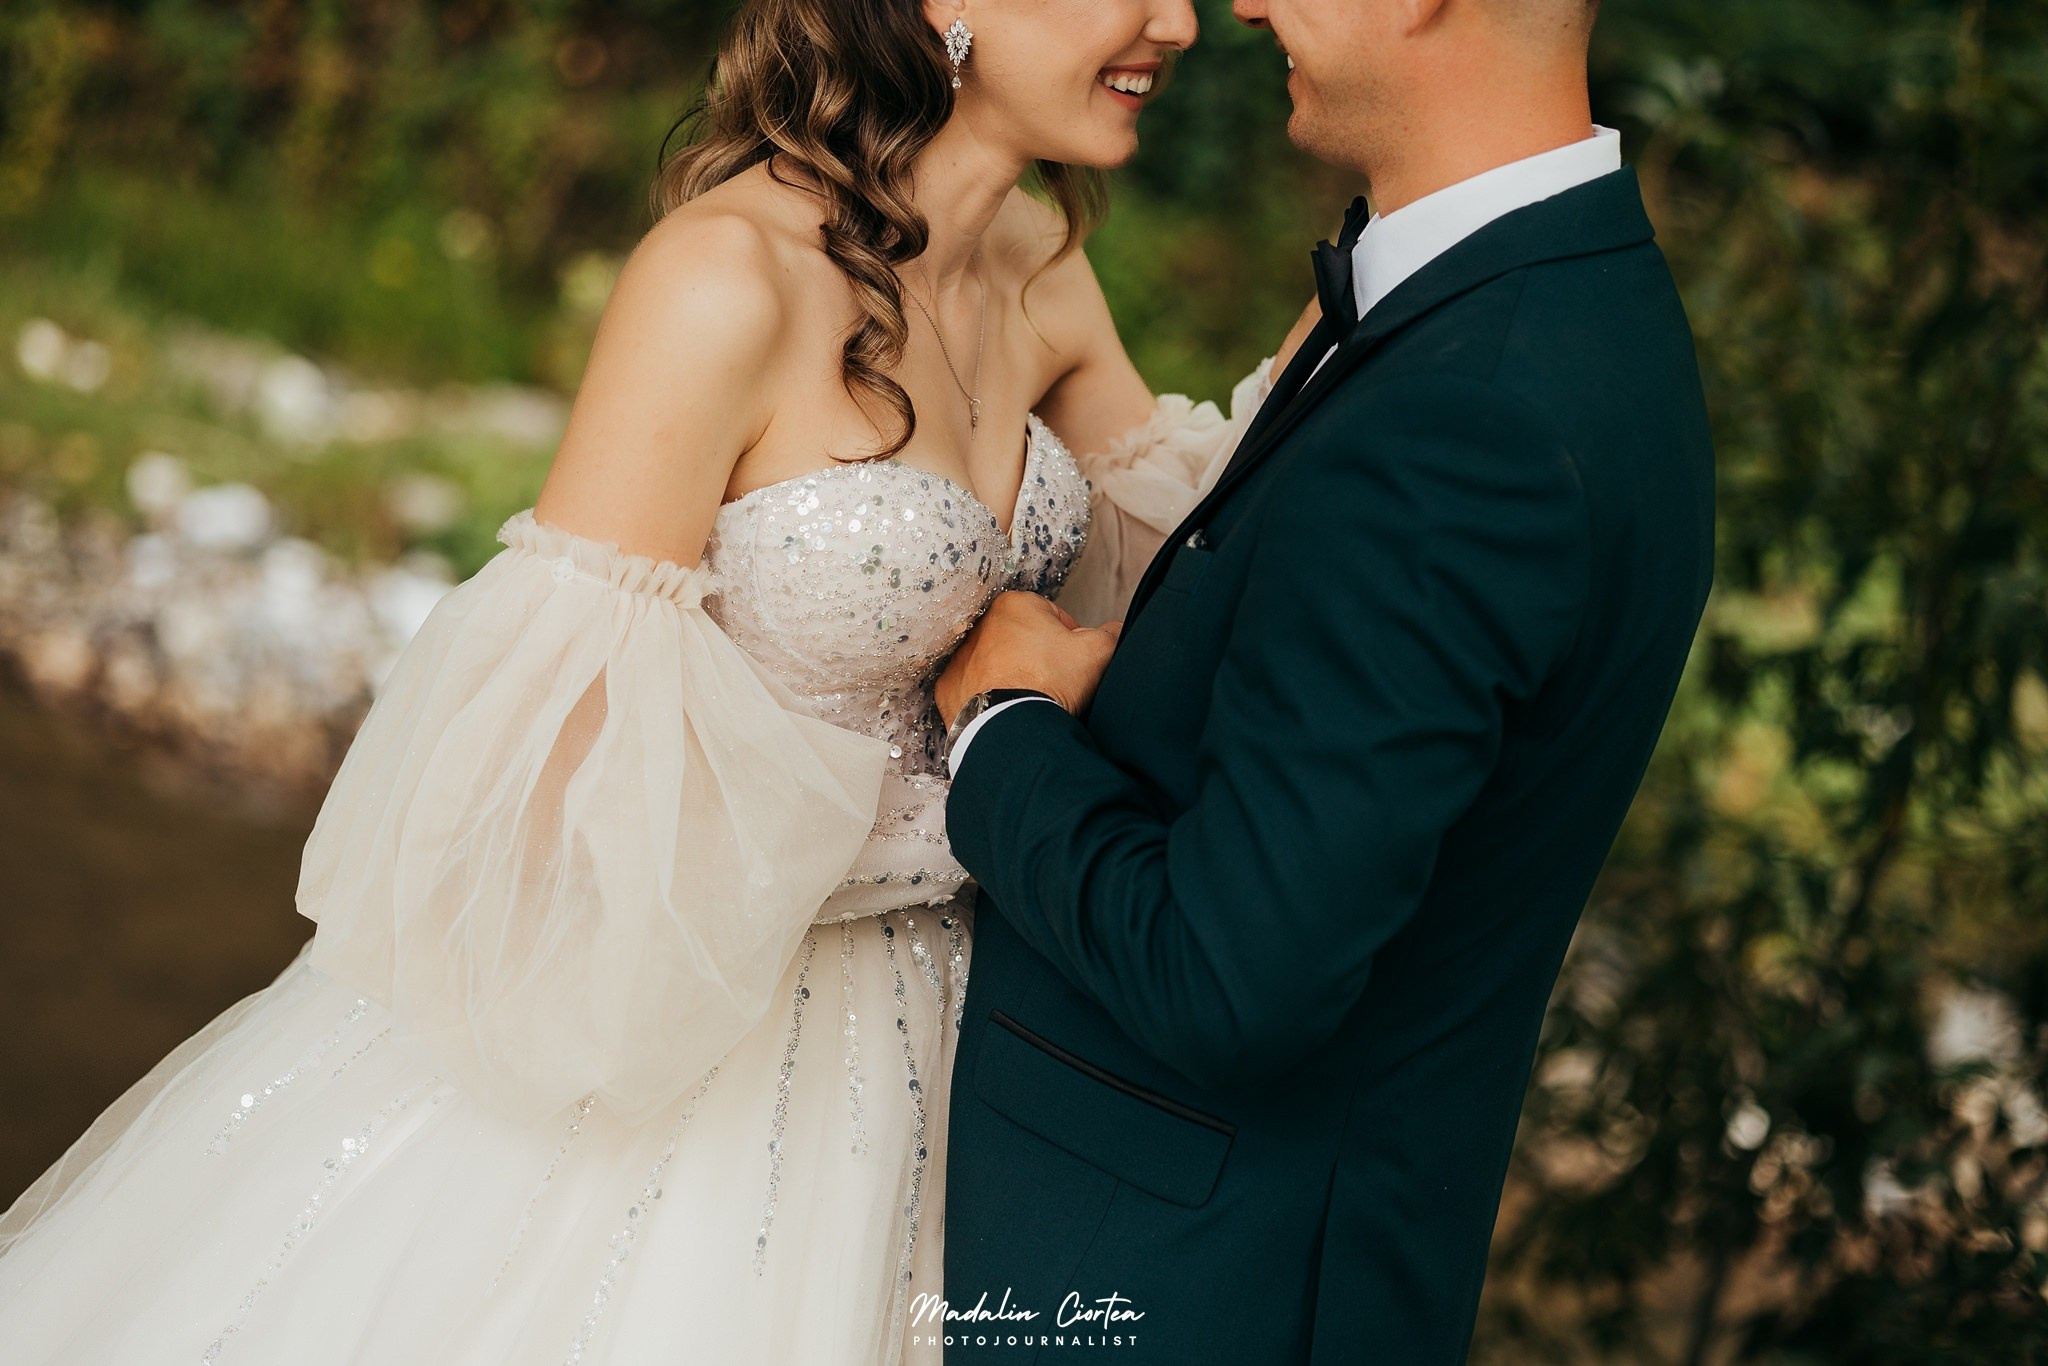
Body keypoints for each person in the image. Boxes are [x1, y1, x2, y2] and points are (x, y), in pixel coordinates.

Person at [0, 1, 1271, 1362]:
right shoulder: (727, 276)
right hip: (705, 1037)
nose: (1178, 22)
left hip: (974, 1025)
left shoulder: (1042, 266)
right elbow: (547, 776)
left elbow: (1200, 569)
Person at [932, 0, 1718, 1361]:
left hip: (1180, 1290)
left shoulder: (1471, 414)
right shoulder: (1575, 307)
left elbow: (1232, 981)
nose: (1239, 5)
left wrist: (1001, 726)